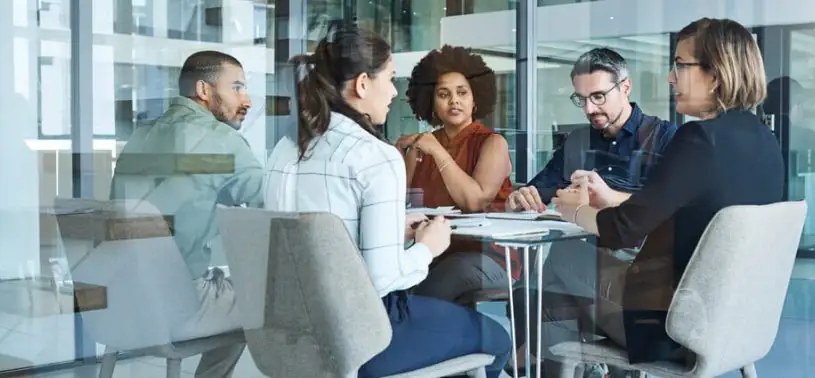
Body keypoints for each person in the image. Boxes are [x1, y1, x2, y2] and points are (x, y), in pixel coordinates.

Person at [512, 17, 785, 369]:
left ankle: (542, 362)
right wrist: (612, 200)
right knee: (549, 296)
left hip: (673, 330)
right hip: (734, 322)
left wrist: (575, 210)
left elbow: (624, 229)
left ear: (715, 75)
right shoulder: (764, 139)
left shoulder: (698, 139)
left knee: (560, 266)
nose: (671, 77)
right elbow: (697, 213)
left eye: (680, 65)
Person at [261, 24, 511, 378]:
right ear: (363, 84)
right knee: (497, 338)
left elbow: (324, 237)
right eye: (391, 78)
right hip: (365, 338)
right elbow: (379, 280)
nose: (394, 91)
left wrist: (395, 229)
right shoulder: (375, 155)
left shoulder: (284, 150)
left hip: (290, 336)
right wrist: (427, 247)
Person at [110, 51, 262, 378]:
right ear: (204, 90)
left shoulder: (139, 137)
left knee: (235, 293)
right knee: (265, 301)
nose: (246, 100)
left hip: (120, 304)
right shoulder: (222, 141)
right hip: (177, 306)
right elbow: (271, 202)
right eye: (236, 88)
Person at [395, 45, 516, 303]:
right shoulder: (421, 144)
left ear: (475, 99)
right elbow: (401, 201)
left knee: (434, 281)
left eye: (462, 92)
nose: (454, 101)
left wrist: (438, 152)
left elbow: (475, 201)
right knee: (396, 278)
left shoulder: (493, 143)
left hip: (490, 257)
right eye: (443, 94)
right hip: (433, 251)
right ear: (431, 101)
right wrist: (395, 158)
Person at [505, 47, 678, 213]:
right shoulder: (577, 141)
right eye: (582, 99)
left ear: (625, 87)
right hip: (576, 241)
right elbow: (538, 191)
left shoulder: (664, 136)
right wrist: (520, 199)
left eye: (598, 96)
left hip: (636, 243)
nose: (589, 109)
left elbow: (673, 204)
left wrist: (610, 198)